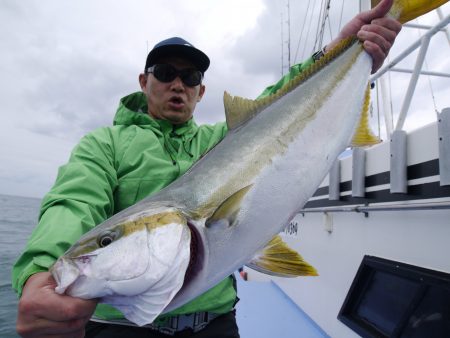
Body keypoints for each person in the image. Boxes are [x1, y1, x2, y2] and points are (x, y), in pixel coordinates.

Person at [12, 1, 401, 337]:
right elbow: (73, 202)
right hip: (120, 328)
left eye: (191, 77)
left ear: (201, 92)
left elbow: (277, 106)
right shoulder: (105, 144)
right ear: (144, 81)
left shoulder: (222, 139)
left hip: (214, 320)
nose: (177, 84)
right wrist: (41, 273)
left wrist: (340, 51)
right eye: (165, 73)